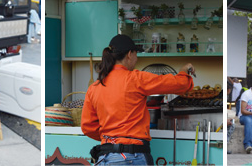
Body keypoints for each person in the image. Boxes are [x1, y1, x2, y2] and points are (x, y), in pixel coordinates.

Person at [81, 34, 194, 165]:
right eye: (136, 54)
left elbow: (88, 127)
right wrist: (184, 71)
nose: (136, 59)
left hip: (105, 158)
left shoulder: (95, 87)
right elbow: (179, 84)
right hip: (131, 158)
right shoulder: (135, 78)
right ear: (130, 54)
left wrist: (112, 138)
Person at [238, 79, 252, 154]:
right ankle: (247, 144)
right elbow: (242, 111)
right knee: (249, 121)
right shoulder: (246, 94)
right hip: (245, 116)